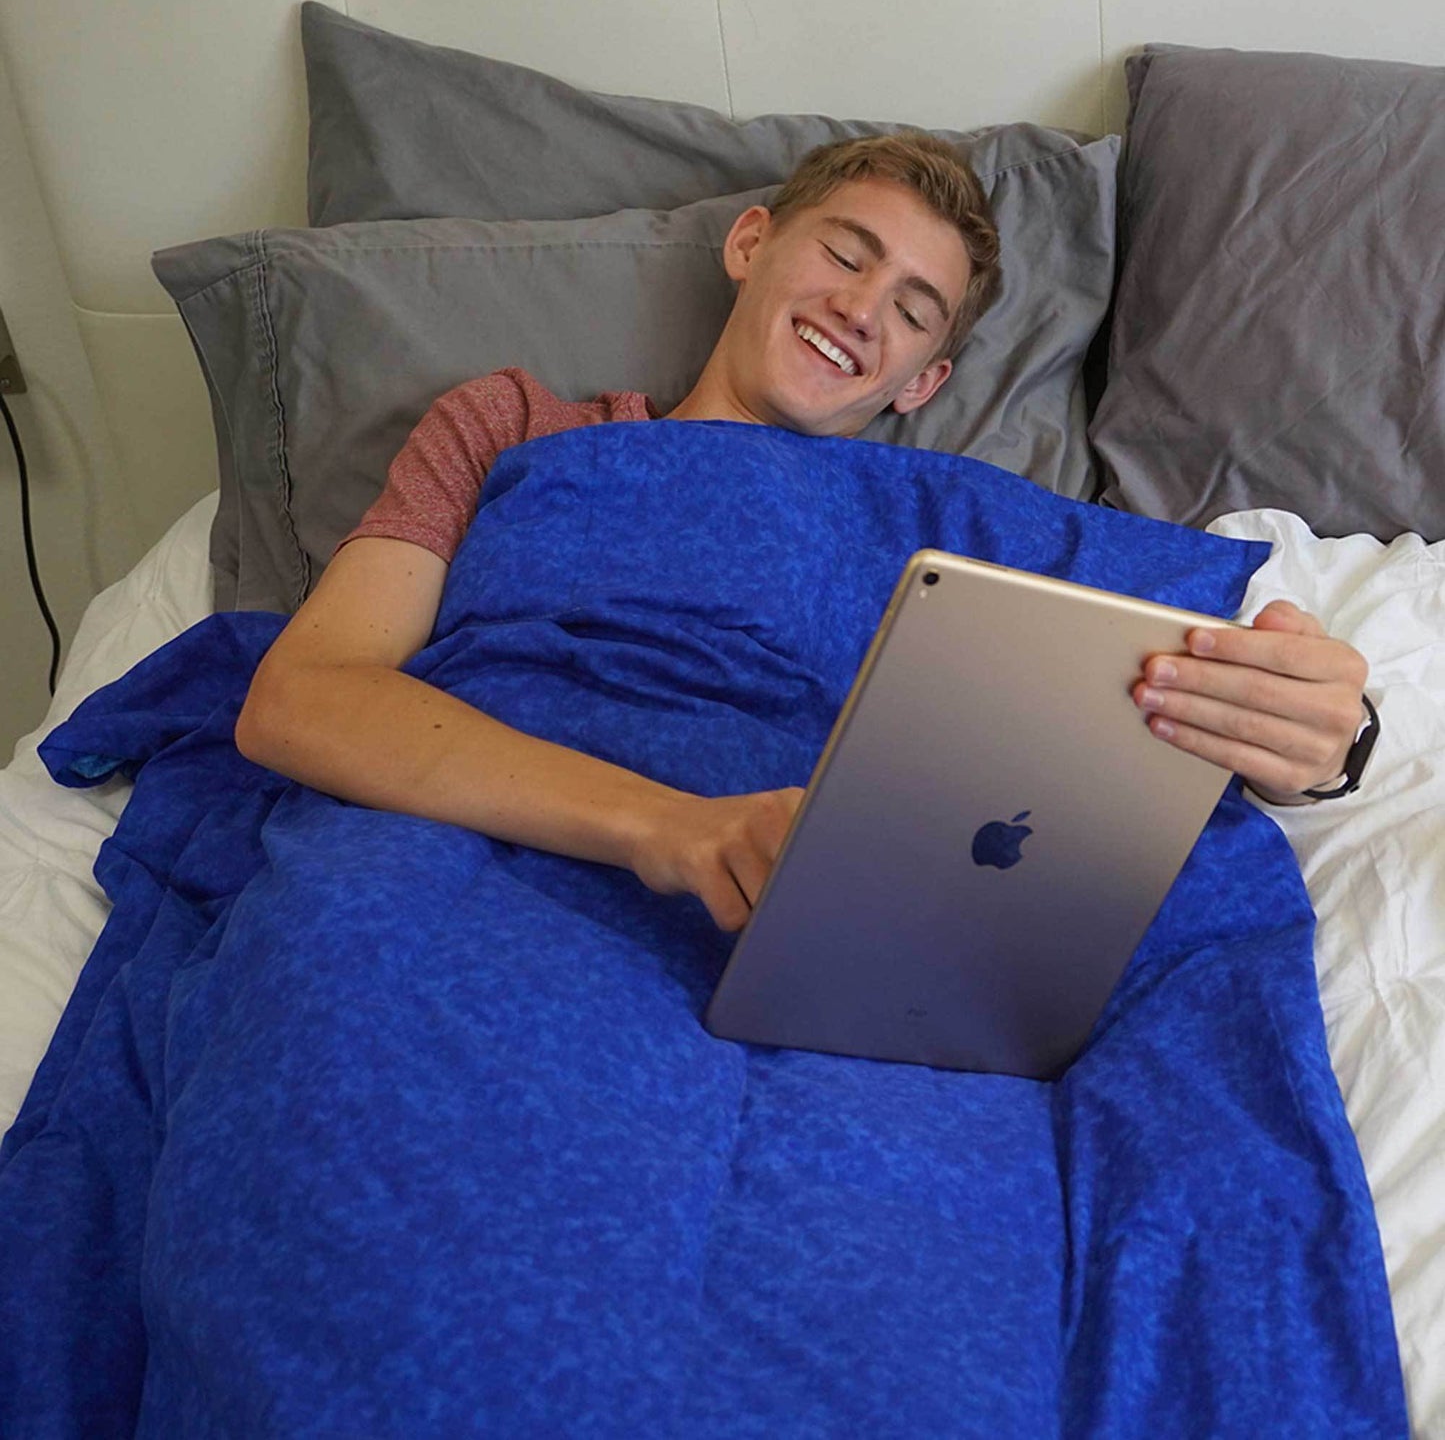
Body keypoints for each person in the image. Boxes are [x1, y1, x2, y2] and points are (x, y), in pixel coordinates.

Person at [235, 133, 1370, 934]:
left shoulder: (952, 514)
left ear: (918, 382)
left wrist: (1330, 739)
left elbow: (1193, 655)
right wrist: (662, 825)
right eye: (845, 251)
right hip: (458, 858)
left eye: (913, 309)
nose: (861, 307)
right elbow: (306, 695)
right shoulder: (512, 423)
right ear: (748, 243)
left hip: (801, 915)